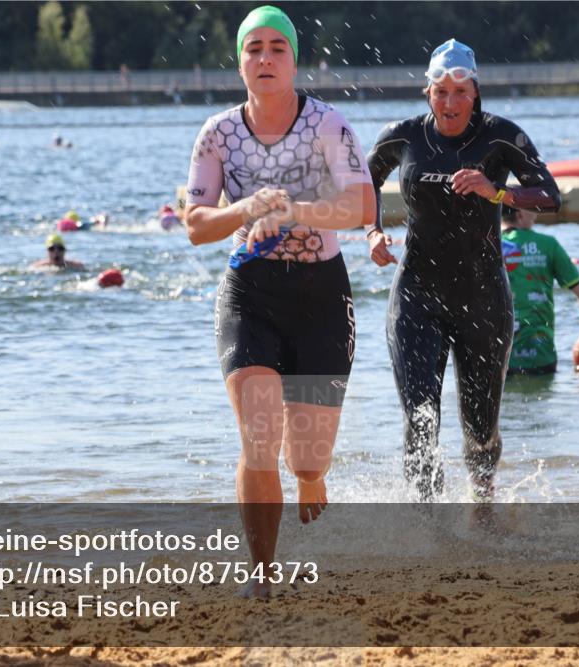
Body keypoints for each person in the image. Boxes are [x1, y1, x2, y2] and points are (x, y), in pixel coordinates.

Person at [183, 5, 375, 597]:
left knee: (307, 460)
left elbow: (362, 207)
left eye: (277, 49)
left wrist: (293, 211)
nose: (265, 58)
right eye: (254, 49)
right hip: (251, 296)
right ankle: (261, 573)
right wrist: (246, 210)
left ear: (294, 61)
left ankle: (311, 477)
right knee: (259, 436)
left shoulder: (327, 125)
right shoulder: (218, 133)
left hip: (321, 296)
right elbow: (196, 224)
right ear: (239, 62)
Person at [366, 39, 560, 502]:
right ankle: (426, 517)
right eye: (440, 92)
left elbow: (550, 196)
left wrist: (498, 192)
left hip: (483, 300)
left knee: (480, 432)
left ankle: (483, 504)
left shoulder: (500, 137)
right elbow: (363, 180)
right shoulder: (403, 137)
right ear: (427, 93)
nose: (450, 102)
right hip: (417, 296)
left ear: (475, 92)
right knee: (420, 419)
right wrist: (372, 231)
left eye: (460, 92)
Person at [501, 206, 579, 375]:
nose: (536, 214)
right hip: (541, 357)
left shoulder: (489, 245)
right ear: (520, 214)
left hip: (499, 357)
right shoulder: (548, 244)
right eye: (531, 208)